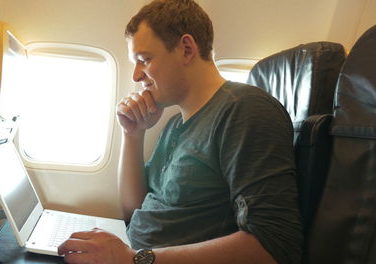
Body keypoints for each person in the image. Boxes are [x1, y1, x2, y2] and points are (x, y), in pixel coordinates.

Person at [58, 0, 303, 263]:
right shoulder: (176, 124)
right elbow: (134, 211)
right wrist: (133, 133)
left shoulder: (244, 111)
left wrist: (133, 259)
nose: (136, 76)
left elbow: (276, 244)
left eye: (144, 59)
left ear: (186, 49)